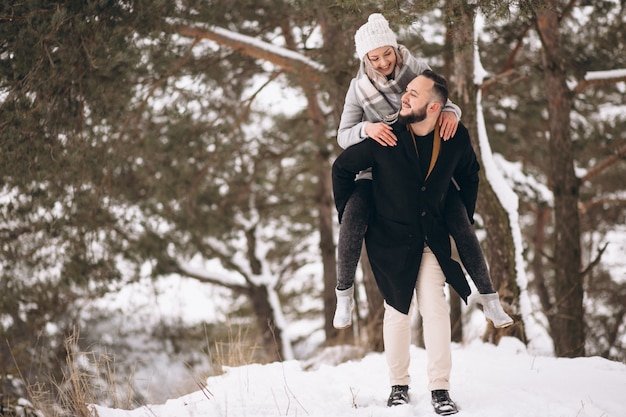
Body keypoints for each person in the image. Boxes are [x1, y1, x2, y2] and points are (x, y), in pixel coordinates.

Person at [333, 13, 512, 330]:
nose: (383, 61)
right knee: (354, 213)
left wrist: (452, 113)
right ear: (365, 58)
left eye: (387, 52)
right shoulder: (359, 89)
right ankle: (344, 294)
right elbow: (343, 136)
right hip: (378, 161)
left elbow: (440, 99)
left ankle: (490, 298)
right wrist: (368, 128)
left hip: (418, 162)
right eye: (374, 57)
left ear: (394, 46)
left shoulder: (416, 70)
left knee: (458, 218)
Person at [333, 70, 481, 414]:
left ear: (434, 108)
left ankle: (440, 389)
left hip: (431, 237)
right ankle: (398, 386)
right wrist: (352, 213)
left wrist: (461, 215)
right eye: (406, 90)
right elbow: (341, 168)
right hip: (389, 240)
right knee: (397, 311)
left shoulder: (453, 136)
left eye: (413, 93)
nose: (404, 95)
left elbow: (470, 174)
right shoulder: (387, 137)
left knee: (435, 306)